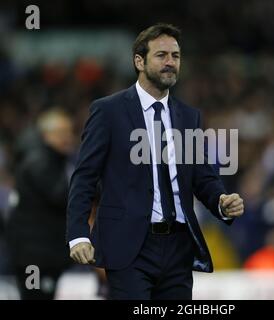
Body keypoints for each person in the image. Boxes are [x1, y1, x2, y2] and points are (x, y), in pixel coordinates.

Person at [66, 23, 244, 300]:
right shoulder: (108, 111)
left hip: (178, 247)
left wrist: (221, 201)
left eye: (176, 56)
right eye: (161, 55)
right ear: (139, 61)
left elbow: (202, 177)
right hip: (128, 246)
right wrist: (78, 234)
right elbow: (85, 176)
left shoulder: (189, 117)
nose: (170, 62)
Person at [6, 109, 74, 299]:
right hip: (34, 259)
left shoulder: (51, 160)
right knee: (35, 296)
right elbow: (61, 195)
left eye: (69, 132)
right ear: (46, 135)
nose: (68, 137)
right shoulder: (40, 162)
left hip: (41, 254)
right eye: (61, 133)